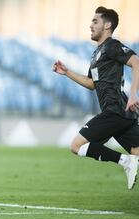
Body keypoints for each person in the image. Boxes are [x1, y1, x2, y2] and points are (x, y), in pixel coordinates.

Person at [53, 6, 139, 190]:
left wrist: (133, 95)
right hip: (122, 114)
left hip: (115, 111)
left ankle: (125, 161)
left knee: (76, 146)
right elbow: (92, 83)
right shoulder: (97, 54)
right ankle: (129, 160)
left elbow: (136, 62)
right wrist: (67, 72)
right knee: (137, 152)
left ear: (107, 25)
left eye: (95, 21)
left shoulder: (112, 46)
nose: (90, 25)